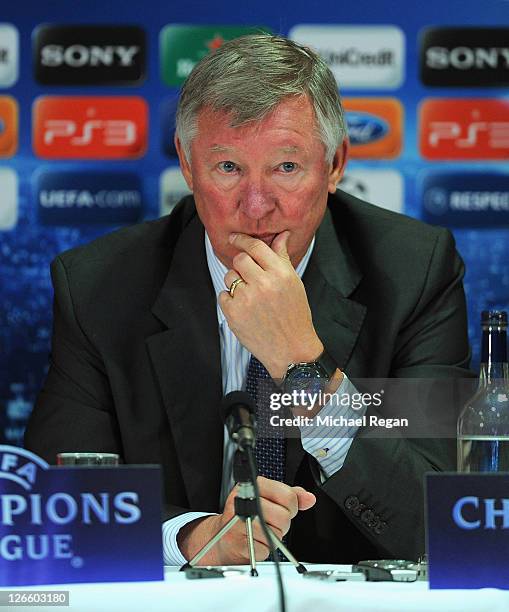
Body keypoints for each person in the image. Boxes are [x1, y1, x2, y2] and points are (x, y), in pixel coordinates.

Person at [25, 34, 471, 565]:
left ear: (334, 165)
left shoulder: (412, 273)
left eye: (286, 167)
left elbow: (440, 522)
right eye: (228, 168)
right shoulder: (99, 286)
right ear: (188, 167)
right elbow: (57, 503)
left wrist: (303, 365)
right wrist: (192, 539)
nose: (257, 207)